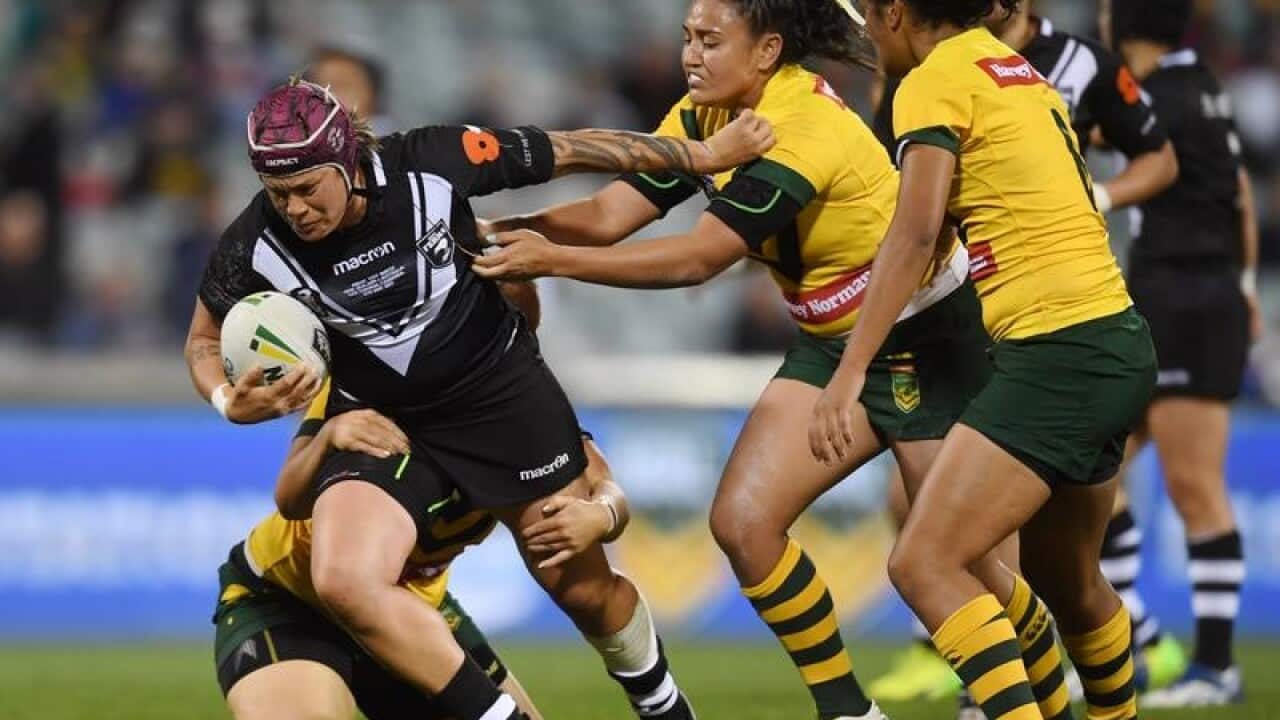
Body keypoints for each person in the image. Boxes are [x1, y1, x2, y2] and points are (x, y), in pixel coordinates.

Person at [473, 2, 1075, 719]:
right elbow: (608, 216)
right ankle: (848, 711)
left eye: (710, 40)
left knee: (970, 563)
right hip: (830, 343)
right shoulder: (704, 119)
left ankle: (1050, 705)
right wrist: (503, 231)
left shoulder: (803, 127)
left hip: (927, 335)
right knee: (744, 523)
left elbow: (700, 259)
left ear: (766, 52)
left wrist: (552, 261)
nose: (690, 55)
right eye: (687, 38)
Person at [186, 77, 773, 720]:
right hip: (384, 418)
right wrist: (225, 401)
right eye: (278, 194)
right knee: (344, 577)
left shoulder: (431, 163)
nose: (294, 209)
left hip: (499, 392)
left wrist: (702, 157)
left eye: (306, 189)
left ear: (347, 162)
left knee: (580, 588)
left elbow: (570, 148)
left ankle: (661, 704)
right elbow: (201, 343)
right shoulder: (254, 242)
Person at [815, 0, 1159, 718]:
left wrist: (849, 373)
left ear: (897, 12)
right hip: (1113, 341)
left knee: (923, 561)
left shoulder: (933, 81)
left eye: (869, 17)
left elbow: (912, 236)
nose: (867, 36)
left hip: (1056, 352)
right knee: (1071, 584)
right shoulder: (1016, 71)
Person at [216, 378, 632, 720]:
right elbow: (289, 498)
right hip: (288, 601)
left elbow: (604, 486)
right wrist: (327, 438)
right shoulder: (362, 379)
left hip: (409, 606)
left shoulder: (519, 401)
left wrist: (603, 514)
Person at [1103, 0, 1259, 706]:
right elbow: (1243, 194)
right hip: (1187, 296)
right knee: (1086, 472)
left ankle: (1214, 666)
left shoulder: (1160, 96)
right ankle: (1133, 636)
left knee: (1194, 486)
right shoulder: (1200, 87)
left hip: (1186, 300)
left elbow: (1080, 123)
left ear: (1120, 21)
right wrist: (1249, 283)